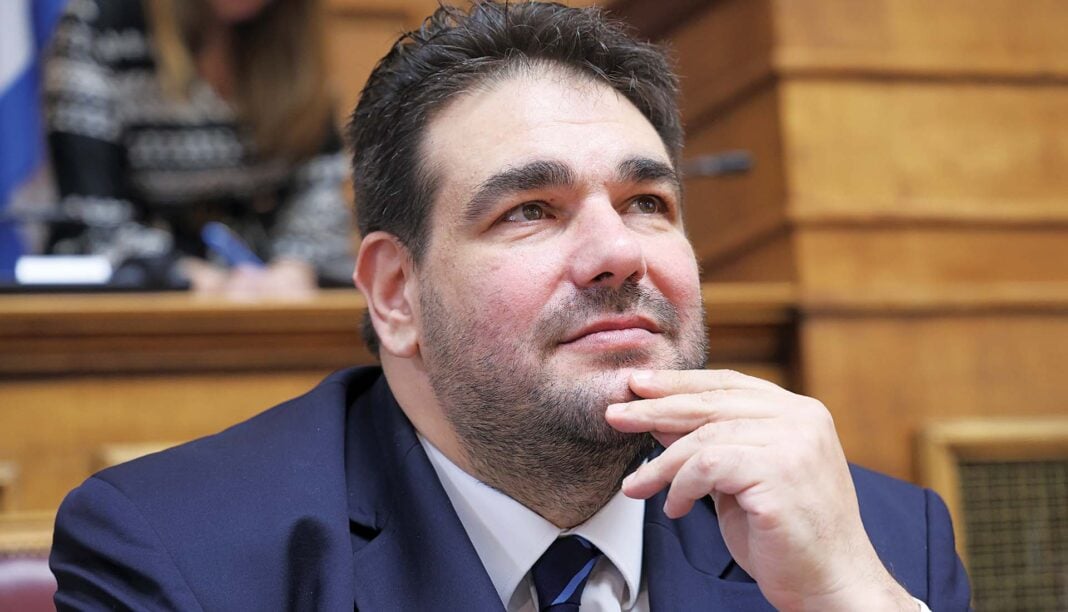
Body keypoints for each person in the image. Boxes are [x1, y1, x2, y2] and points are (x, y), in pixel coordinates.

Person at [49, 2, 971, 609]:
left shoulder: (877, 544)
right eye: (531, 209)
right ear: (396, 294)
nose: (619, 253)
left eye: (648, 203)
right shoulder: (179, 557)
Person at [44, 0, 354, 294]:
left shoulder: (293, 32)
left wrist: (294, 267)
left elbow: (321, 183)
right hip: (145, 291)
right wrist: (186, 277)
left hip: (272, 289)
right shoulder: (103, 22)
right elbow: (91, 217)